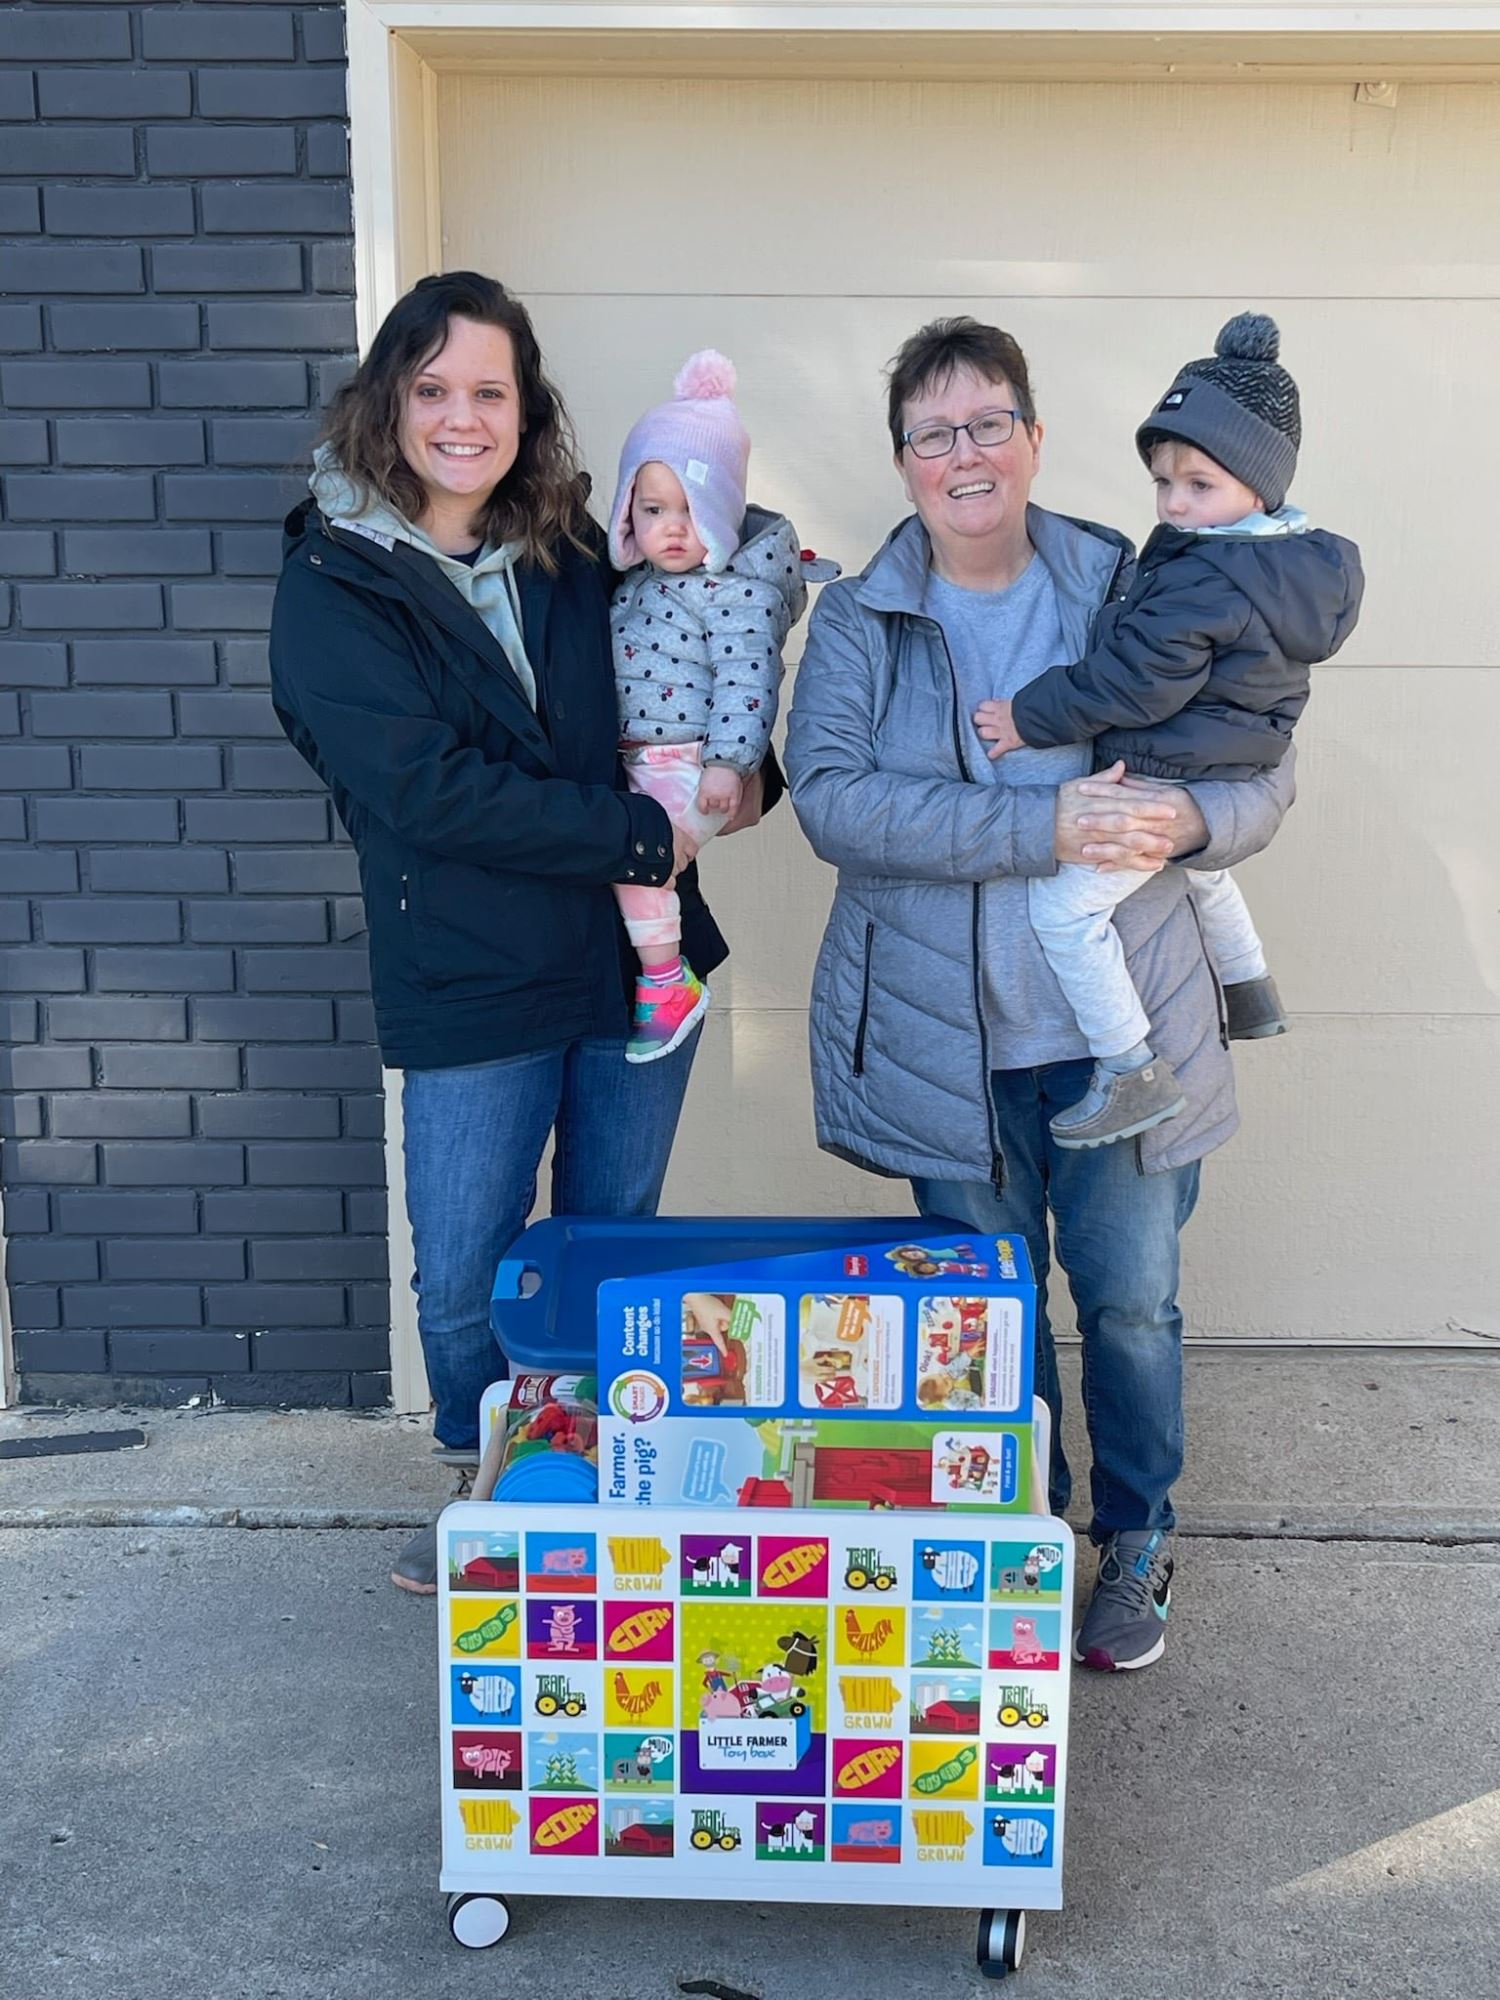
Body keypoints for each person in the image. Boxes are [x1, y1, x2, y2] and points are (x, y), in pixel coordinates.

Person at [785, 315, 1297, 1672]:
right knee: (987, 1317)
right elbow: (835, 803)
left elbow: (1263, 763)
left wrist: (1187, 825)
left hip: (1116, 1038)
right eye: (935, 432)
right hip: (942, 1048)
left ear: (1034, 435)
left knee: (1129, 1307)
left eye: (989, 421)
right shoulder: (860, 619)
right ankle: (1023, 1539)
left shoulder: (1128, 578)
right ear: (903, 462)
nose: (966, 452)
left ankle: (1135, 1540)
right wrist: (1045, 828)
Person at [269, 272, 778, 1593]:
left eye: (488, 390)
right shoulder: (335, 582)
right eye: (432, 388)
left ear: (524, 407)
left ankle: (589, 1490)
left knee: (609, 1251)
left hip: (633, 967)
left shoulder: (566, 553)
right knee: (469, 1275)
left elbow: (683, 655)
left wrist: (745, 773)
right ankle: (483, 1483)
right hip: (470, 976)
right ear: (387, 399)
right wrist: (629, 834)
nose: (460, 416)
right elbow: (425, 791)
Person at [974, 314, 1363, 1149]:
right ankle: (1249, 986)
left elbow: (1135, 682)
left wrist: (1026, 716)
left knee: (1064, 914)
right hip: (1229, 762)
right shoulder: (1294, 566)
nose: (1176, 504)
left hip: (1165, 767)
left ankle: (1129, 1069)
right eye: (1163, 482)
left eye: (1199, 485)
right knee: (1207, 873)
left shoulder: (1208, 576)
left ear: (1258, 485)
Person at [606, 350, 810, 1061]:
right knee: (637, 861)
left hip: (688, 758)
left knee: (640, 861)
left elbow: (748, 680)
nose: (670, 527)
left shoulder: (734, 593)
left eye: (690, 511)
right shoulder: (634, 584)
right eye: (652, 508)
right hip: (643, 756)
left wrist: (729, 764)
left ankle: (667, 982)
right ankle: (661, 973)